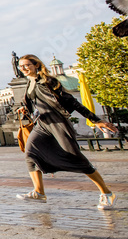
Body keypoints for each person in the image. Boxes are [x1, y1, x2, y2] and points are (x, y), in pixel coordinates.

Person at [15, 54, 118, 209]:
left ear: (36, 65)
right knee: (30, 153)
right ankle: (39, 192)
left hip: (58, 123)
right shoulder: (29, 83)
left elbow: (72, 101)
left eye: (26, 65)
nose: (23, 68)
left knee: (76, 158)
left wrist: (95, 120)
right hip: (42, 124)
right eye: (21, 66)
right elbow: (33, 106)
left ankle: (107, 193)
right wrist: (24, 108)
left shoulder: (49, 81)